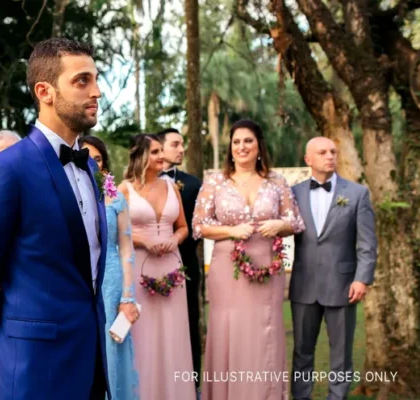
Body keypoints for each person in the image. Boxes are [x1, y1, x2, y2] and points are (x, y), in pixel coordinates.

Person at [0, 38, 109, 400]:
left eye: (96, 79)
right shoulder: (5, 170)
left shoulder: (88, 166)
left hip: (89, 362)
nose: (97, 91)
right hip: (31, 369)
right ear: (45, 91)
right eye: (82, 81)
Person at [192, 119, 305, 400]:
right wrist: (230, 230)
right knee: (229, 331)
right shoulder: (215, 182)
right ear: (230, 148)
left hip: (267, 267)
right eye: (236, 142)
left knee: (265, 333)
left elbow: (296, 221)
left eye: (248, 141)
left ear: (259, 146)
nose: (242, 147)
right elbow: (199, 225)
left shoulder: (276, 181)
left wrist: (280, 225)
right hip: (226, 268)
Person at [290, 137, 377, 400]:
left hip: (343, 286)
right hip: (303, 286)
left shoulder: (357, 193)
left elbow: (367, 243)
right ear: (308, 160)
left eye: (333, 151)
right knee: (302, 353)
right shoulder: (293, 194)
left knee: (341, 354)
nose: (329, 156)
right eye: (322, 152)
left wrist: (362, 279)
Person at [120, 134, 195, 400]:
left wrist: (173, 239)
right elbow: (116, 232)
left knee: (173, 334)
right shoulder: (124, 190)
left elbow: (184, 227)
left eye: (162, 151)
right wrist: (143, 240)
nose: (161, 156)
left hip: (172, 267)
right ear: (140, 155)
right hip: (140, 269)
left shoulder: (172, 186)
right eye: (155, 152)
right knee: (144, 337)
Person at [80, 136, 140, 400]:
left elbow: (126, 249)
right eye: (86, 157)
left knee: (110, 352)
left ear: (104, 164)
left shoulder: (115, 199)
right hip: (77, 283)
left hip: (112, 283)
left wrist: (127, 297)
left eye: (98, 158)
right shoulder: (65, 196)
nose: (92, 162)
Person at [156, 127, 203, 395]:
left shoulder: (193, 184)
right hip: (147, 267)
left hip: (185, 265)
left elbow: (197, 227)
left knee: (189, 325)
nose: (181, 149)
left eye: (183, 144)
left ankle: (192, 385)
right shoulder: (140, 183)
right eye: (175, 144)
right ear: (159, 149)